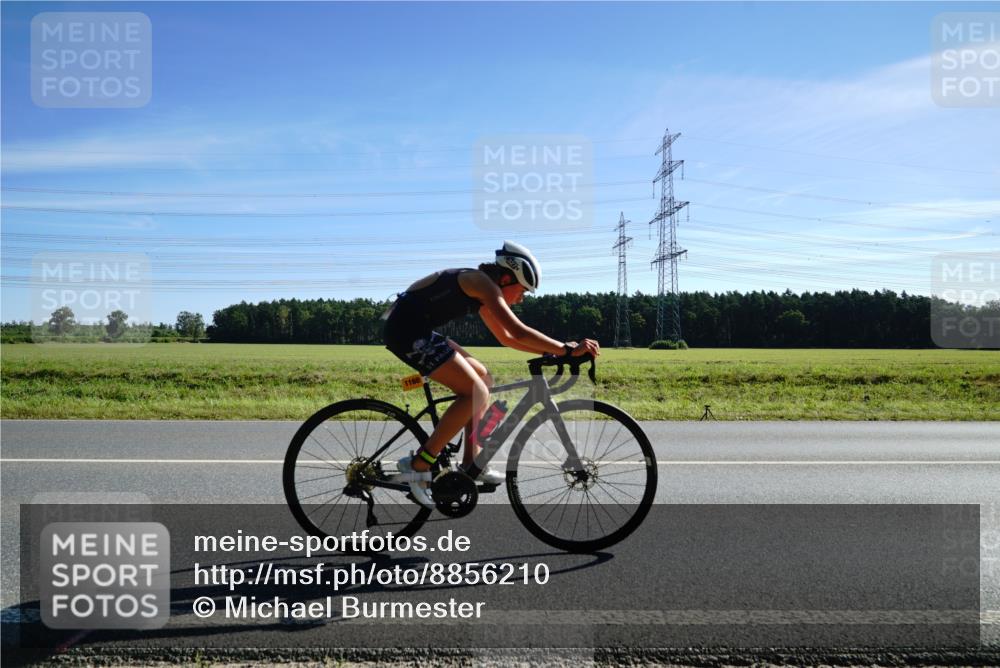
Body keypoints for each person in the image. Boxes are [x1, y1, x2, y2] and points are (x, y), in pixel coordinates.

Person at [383, 241, 600, 508]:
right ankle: (419, 464)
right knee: (475, 392)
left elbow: (508, 338)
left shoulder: (481, 289)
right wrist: (566, 348)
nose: (521, 299)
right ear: (507, 278)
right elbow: (518, 331)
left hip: (416, 329)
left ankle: (472, 462)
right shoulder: (482, 283)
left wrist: (555, 352)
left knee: (483, 378)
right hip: (407, 332)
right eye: (522, 291)